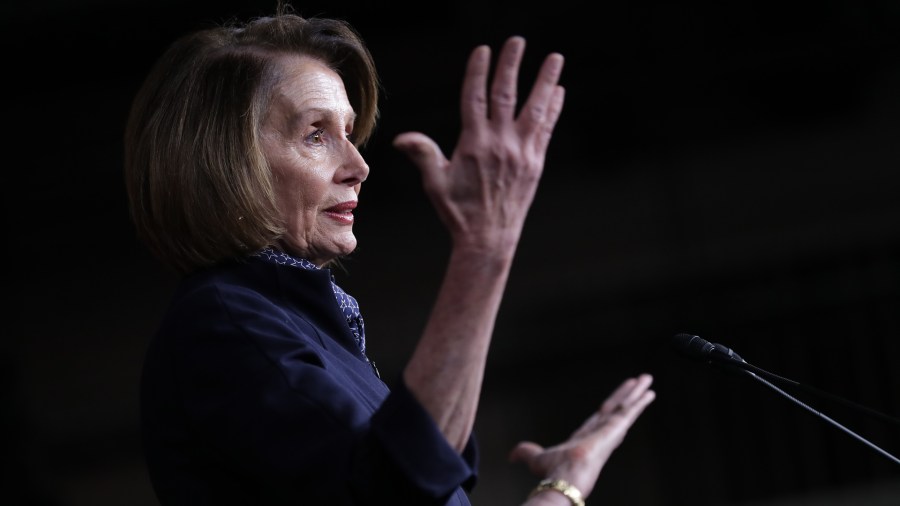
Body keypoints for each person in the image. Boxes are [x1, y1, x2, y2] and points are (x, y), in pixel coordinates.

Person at [123, 3, 656, 505]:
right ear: (228, 161)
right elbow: (397, 489)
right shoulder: (222, 326)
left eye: (349, 133)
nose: (359, 164)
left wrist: (567, 484)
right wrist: (485, 243)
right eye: (316, 134)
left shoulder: (301, 325)